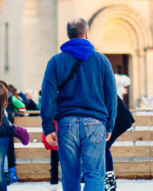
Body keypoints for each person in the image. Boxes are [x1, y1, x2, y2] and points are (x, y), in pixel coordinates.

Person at [39, 18, 117, 191]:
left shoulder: (56, 62)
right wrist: (110, 125)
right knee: (95, 174)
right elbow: (111, 96)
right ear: (86, 33)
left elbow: (48, 97)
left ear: (68, 35)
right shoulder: (102, 61)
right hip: (95, 123)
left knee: (70, 175)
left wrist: (48, 127)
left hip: (66, 123)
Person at [105, 75, 136, 191]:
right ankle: (108, 178)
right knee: (102, 146)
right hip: (117, 118)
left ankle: (109, 179)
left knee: (103, 146)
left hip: (118, 119)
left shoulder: (100, 86)